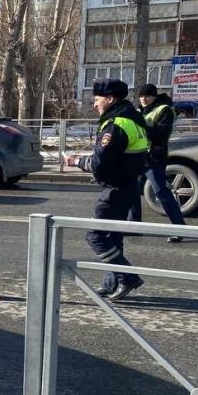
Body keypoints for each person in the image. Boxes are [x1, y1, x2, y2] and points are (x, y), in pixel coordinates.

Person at [64, 79, 150, 301]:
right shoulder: (133, 118)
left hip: (116, 188)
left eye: (97, 99)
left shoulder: (116, 124)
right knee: (112, 236)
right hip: (128, 185)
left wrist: (76, 162)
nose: (95, 104)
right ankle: (112, 283)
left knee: (96, 235)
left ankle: (128, 277)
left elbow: (101, 163)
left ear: (110, 99)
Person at [129, 84, 186, 242]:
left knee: (161, 192)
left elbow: (161, 134)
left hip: (154, 157)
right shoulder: (139, 111)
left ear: (154, 96)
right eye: (141, 96)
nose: (144, 99)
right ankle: (133, 227)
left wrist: (141, 124)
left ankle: (179, 228)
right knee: (132, 191)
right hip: (138, 156)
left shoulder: (164, 110)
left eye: (147, 96)